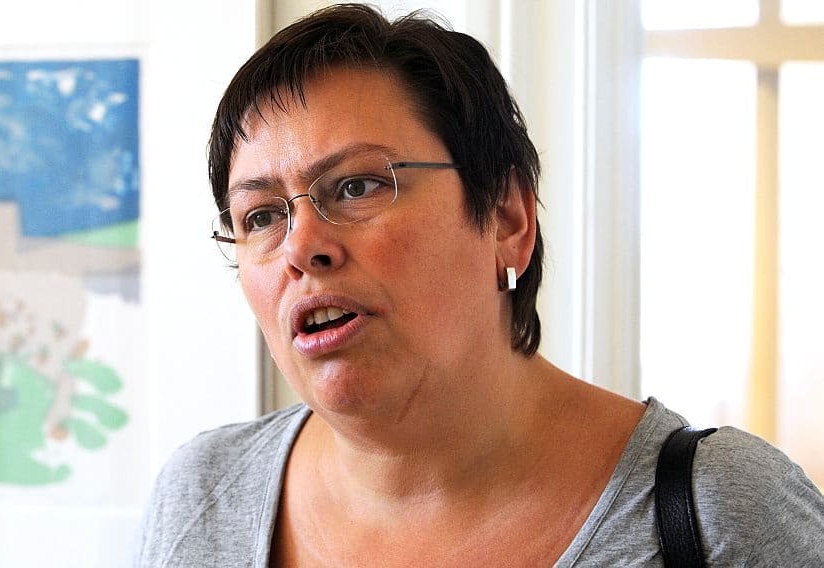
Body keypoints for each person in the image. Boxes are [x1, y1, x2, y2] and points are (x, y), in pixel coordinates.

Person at [136, 4, 824, 566]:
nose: (300, 247)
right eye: (260, 216)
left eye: (358, 186)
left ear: (506, 218)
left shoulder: (720, 514)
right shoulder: (201, 498)